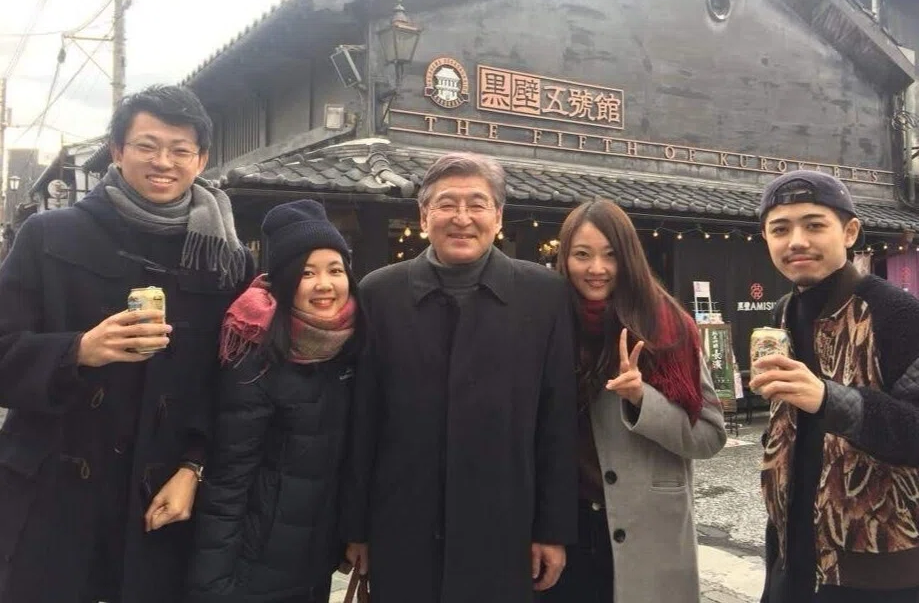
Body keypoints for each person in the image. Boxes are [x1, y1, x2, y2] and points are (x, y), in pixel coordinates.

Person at [0, 84, 253, 603]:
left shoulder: (226, 258)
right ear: (117, 150)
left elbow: (231, 384)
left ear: (201, 159)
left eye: (181, 150)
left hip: (160, 499)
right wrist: (76, 352)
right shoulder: (48, 235)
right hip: (52, 494)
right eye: (147, 145)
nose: (164, 162)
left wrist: (194, 467)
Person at [341, 152, 578, 603]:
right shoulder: (379, 293)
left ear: (499, 216)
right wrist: (356, 528)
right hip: (401, 523)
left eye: (477, 204)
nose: (462, 218)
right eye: (448, 204)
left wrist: (553, 529)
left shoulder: (543, 296)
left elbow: (557, 419)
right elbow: (363, 420)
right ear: (424, 215)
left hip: (506, 525)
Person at [543, 199, 726, 602]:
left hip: (648, 528)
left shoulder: (667, 326)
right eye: (582, 255)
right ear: (564, 258)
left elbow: (710, 436)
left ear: (629, 257)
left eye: (611, 255)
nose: (597, 269)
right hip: (565, 527)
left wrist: (643, 398)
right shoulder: (547, 323)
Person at [754, 170, 919, 603]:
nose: (796, 241)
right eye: (780, 228)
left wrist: (828, 398)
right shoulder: (784, 312)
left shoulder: (898, 314)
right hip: (791, 551)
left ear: (849, 232)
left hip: (879, 567)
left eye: (814, 225)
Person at [187, 199, 360, 602]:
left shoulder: (352, 342)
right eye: (306, 273)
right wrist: (211, 584)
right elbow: (228, 478)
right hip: (254, 562)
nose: (325, 284)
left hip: (316, 557)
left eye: (335, 270)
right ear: (282, 280)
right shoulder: (254, 349)